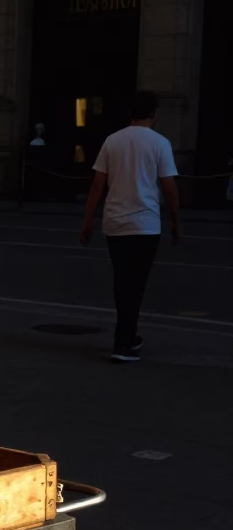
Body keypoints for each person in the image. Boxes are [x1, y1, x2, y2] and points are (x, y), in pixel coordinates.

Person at [79, 89, 182, 362]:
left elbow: (97, 186)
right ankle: (123, 343)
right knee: (135, 284)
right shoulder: (160, 143)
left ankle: (127, 336)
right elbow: (169, 187)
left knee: (123, 282)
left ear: (130, 113)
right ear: (154, 114)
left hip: (115, 223)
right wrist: (176, 222)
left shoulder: (112, 141)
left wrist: (88, 222)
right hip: (146, 224)